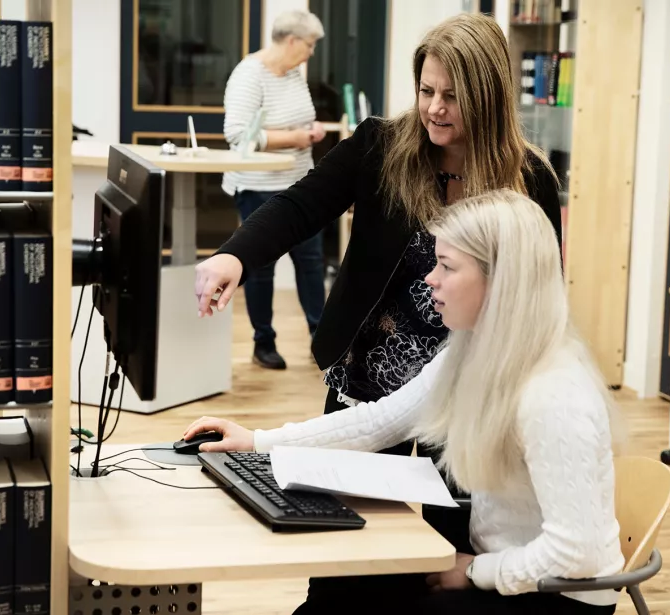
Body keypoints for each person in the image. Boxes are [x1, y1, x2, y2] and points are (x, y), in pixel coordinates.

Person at [183, 190, 625, 615]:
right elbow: (380, 421)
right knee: (339, 598)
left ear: (500, 280)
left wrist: (474, 571)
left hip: (554, 595)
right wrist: (259, 442)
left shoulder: (552, 394)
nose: (429, 278)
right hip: (504, 568)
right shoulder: (472, 349)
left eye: (447, 266)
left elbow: (576, 553)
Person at [220, 9, 329, 370]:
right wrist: (297, 138)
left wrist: (310, 131)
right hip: (258, 188)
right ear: (293, 41)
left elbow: (296, 119)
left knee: (311, 264)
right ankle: (263, 342)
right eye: (310, 44)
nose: (312, 52)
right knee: (261, 267)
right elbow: (238, 136)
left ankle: (324, 338)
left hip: (300, 185)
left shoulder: (294, 75)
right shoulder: (249, 75)